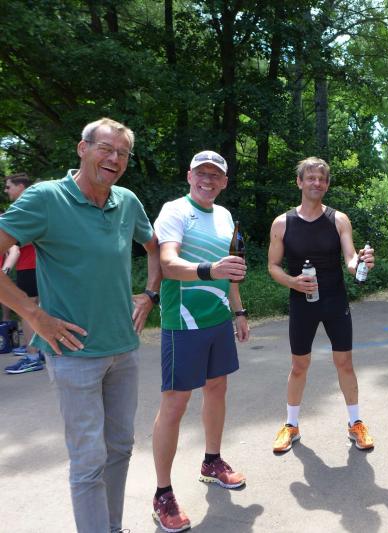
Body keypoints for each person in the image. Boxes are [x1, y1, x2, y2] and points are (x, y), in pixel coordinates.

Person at [0, 117, 162, 533]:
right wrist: (33, 315)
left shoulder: (126, 201)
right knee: (89, 461)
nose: (114, 159)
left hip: (123, 349)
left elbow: (153, 246)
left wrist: (150, 295)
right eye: (106, 149)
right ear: (82, 149)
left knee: (120, 449)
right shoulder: (46, 198)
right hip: (73, 355)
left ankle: (112, 527)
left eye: (122, 153)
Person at [150, 150, 249, 532]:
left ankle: (212, 461)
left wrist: (238, 311)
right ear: (189, 176)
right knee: (175, 403)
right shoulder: (175, 210)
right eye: (201, 174)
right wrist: (210, 269)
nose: (208, 180)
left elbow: (231, 270)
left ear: (224, 181)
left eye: (215, 175)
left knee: (217, 388)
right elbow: (168, 263)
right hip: (183, 321)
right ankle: (162, 493)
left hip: (218, 319)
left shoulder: (224, 216)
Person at [268, 157, 376, 453]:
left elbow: (350, 260)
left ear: (327, 185)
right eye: (311, 178)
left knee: (345, 362)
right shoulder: (282, 223)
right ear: (299, 182)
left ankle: (355, 423)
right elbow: (273, 266)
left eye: (322, 179)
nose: (316, 183)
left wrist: (361, 263)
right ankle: (291, 426)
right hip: (301, 301)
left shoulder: (339, 219)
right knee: (299, 365)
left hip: (334, 299)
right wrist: (292, 282)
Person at [3, 173, 46, 374]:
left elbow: (22, 239)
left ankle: (32, 356)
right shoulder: (32, 205)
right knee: (35, 308)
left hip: (31, 265)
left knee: (26, 309)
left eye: (8, 186)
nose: (6, 191)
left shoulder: (27, 205)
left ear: (21, 186)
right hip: (32, 265)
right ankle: (39, 350)